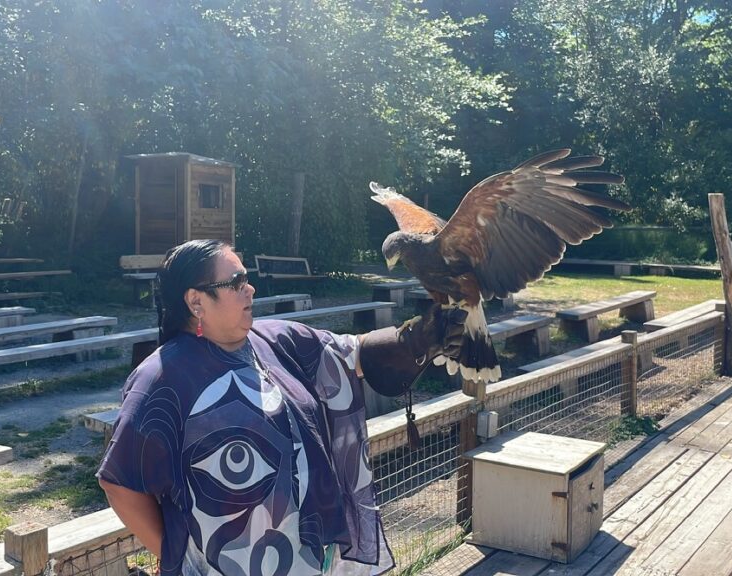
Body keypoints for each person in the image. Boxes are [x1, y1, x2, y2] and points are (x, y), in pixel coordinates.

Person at [97, 239, 467, 576]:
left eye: (247, 279)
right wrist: (176, 555)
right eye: (237, 282)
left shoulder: (275, 340)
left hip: (306, 558)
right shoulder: (162, 378)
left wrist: (416, 339)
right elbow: (119, 483)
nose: (250, 288)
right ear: (196, 302)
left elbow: (351, 354)